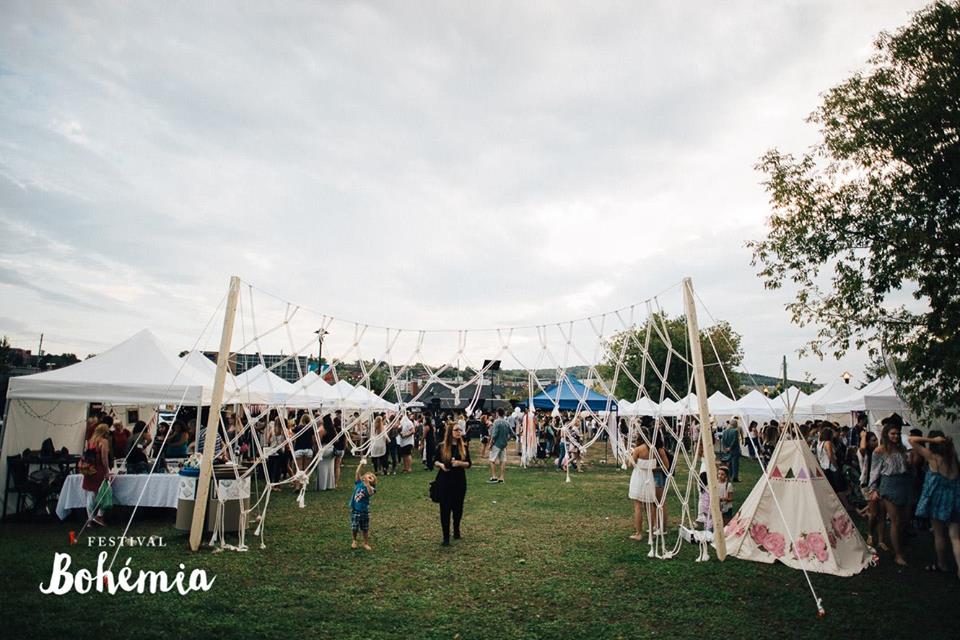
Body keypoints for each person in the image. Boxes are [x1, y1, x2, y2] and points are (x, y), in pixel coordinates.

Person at [909, 431, 960, 576]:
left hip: (938, 501)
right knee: (955, 537)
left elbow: (911, 440)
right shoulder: (953, 458)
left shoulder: (933, 457)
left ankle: (942, 564)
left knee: (939, 535)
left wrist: (931, 439)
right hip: (955, 499)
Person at [868, 415, 912, 565]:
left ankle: (901, 545)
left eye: (898, 433)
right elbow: (874, 471)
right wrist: (873, 489)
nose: (896, 436)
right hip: (889, 485)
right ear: (886, 434)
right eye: (893, 433)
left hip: (903, 483)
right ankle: (898, 554)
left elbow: (906, 467)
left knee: (905, 520)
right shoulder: (879, 451)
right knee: (895, 521)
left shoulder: (902, 449)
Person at [434, 420, 471, 546]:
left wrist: (460, 463)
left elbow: (469, 464)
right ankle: (445, 536)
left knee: (458, 508)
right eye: (456, 430)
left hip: (459, 481)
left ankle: (456, 529)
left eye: (460, 430)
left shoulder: (464, 447)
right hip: (445, 481)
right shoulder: (441, 446)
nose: (459, 432)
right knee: (444, 509)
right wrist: (441, 465)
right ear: (450, 432)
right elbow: (435, 461)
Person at [628, 430, 659, 541]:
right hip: (649, 478)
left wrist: (630, 455)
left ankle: (639, 533)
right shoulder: (653, 449)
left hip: (638, 477)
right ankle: (651, 532)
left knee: (638, 506)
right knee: (649, 506)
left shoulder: (637, 449)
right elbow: (655, 465)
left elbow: (630, 464)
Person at [858, 430, 886, 549]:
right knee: (873, 513)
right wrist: (863, 436)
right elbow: (863, 448)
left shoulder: (880, 453)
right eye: (873, 440)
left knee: (882, 514)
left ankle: (880, 540)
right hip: (868, 486)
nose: (876, 442)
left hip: (881, 485)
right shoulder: (864, 454)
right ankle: (870, 535)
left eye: (877, 440)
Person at [81, 423, 111, 527]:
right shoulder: (104, 442)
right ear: (104, 432)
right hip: (99, 469)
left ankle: (89, 519)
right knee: (105, 492)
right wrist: (107, 470)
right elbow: (104, 458)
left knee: (90, 495)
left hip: (89, 469)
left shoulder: (90, 441)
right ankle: (99, 516)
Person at [817, 426, 849, 509]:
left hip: (824, 467)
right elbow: (830, 455)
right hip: (831, 468)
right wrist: (836, 466)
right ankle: (846, 506)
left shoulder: (819, 443)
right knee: (839, 488)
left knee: (832, 488)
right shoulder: (828, 443)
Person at [349, 458, 377, 550]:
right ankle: (354, 540)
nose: (368, 477)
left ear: (373, 482)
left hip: (364, 511)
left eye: (371, 477)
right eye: (367, 476)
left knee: (365, 528)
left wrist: (367, 484)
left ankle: (365, 543)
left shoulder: (372, 488)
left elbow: (370, 493)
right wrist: (361, 464)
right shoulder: (359, 483)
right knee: (354, 527)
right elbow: (357, 473)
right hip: (355, 510)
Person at [487, 408, 511, 484]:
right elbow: (511, 433)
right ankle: (502, 478)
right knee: (503, 461)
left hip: (496, 444)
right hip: (504, 445)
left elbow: (494, 435)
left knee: (491, 460)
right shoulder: (507, 422)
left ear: (497, 413)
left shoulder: (496, 422)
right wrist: (506, 440)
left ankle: (494, 477)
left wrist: (490, 444)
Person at [315, 414, 336, 491]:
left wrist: (317, 452)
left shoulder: (321, 429)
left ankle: (322, 486)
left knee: (322, 468)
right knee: (330, 469)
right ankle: (329, 485)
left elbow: (318, 442)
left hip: (323, 449)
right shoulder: (333, 429)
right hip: (331, 448)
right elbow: (336, 440)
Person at [332, 410, 346, 487]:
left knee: (333, 466)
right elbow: (345, 439)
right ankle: (336, 482)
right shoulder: (343, 429)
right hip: (341, 448)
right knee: (337, 466)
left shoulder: (334, 430)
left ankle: (332, 481)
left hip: (335, 447)